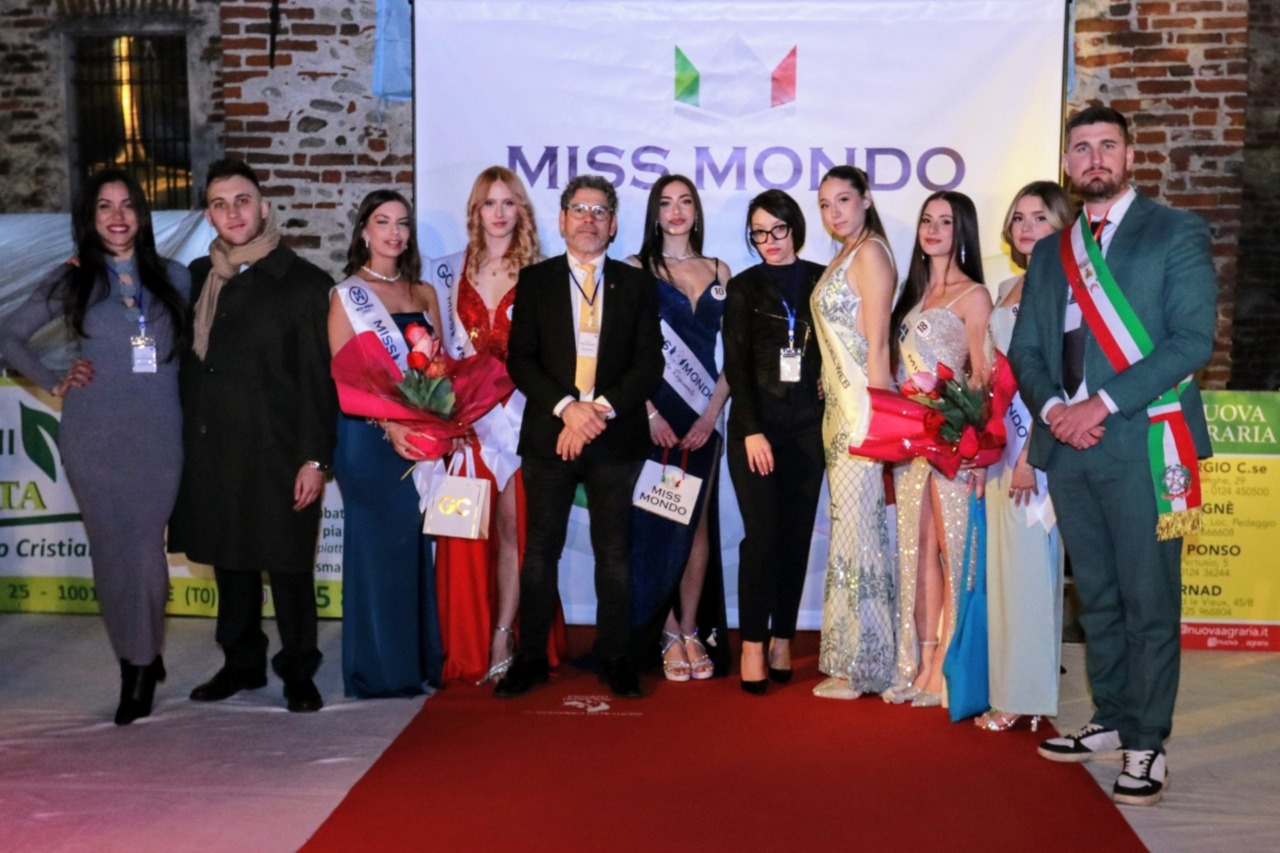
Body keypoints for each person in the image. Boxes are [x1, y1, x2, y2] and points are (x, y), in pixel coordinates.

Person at [1009, 106, 1216, 805]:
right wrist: (1054, 413)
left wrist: (1098, 405)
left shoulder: (1175, 231)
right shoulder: (1050, 253)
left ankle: (1148, 740)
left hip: (1142, 442)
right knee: (1095, 596)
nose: (1094, 158)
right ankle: (1114, 715)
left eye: (1107, 146)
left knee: (1147, 597)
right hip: (1070, 446)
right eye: (1081, 148)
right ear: (1067, 163)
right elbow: (1027, 350)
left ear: (1129, 156)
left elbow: (1191, 340)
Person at [0, 169, 189, 725]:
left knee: (145, 549)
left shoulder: (177, 277)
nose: (117, 216)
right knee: (110, 553)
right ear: (90, 217)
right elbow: (8, 334)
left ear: (142, 215)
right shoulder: (73, 278)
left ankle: (142, 660)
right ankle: (135, 657)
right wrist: (53, 377)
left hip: (159, 433)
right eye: (105, 206)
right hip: (93, 434)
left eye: (127, 205)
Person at [169, 158, 337, 713]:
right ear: (209, 216)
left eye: (242, 201)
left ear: (264, 207)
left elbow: (318, 382)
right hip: (214, 449)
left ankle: (299, 670)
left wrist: (314, 459)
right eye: (219, 204)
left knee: (289, 568)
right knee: (231, 562)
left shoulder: (305, 283)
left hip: (279, 453)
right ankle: (241, 664)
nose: (233, 213)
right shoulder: (198, 277)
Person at [494, 175, 663, 699]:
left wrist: (596, 413)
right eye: (580, 210)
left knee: (614, 553)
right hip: (550, 435)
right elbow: (521, 359)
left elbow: (648, 364)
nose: (589, 219)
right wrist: (569, 411)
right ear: (563, 220)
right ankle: (529, 660)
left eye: (599, 211)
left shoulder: (636, 285)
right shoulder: (536, 280)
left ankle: (616, 659)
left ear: (613, 225)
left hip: (615, 437)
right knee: (540, 551)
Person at [435, 166, 569, 685]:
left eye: (508, 202)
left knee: (516, 530)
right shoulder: (452, 271)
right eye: (489, 203)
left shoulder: (542, 271)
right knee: (469, 533)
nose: (498, 213)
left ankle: (504, 633)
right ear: (476, 210)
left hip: (522, 419)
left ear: (522, 210)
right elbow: (442, 352)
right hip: (470, 421)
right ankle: (466, 639)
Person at [328, 190, 445, 698]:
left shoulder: (424, 292)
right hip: (369, 439)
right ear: (364, 232)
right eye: (383, 222)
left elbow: (440, 366)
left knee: (414, 547)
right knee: (378, 551)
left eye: (402, 223)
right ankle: (379, 670)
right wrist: (392, 426)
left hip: (417, 437)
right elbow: (345, 377)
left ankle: (417, 662)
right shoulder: (346, 295)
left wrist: (440, 421)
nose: (394, 232)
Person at [884, 191, 992, 708]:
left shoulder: (974, 296)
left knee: (954, 550)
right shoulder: (911, 294)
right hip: (909, 442)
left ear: (962, 229)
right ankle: (920, 661)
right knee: (916, 549)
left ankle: (950, 666)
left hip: (952, 441)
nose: (932, 229)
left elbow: (983, 376)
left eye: (945, 222)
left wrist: (975, 442)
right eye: (927, 220)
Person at [626, 175, 733, 681]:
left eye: (685, 201)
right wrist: (648, 413)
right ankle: (665, 630)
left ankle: (690, 628)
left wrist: (712, 414)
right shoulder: (635, 268)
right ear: (654, 212)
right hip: (656, 418)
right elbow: (623, 350)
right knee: (655, 523)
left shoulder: (719, 270)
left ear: (696, 211)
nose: (676, 211)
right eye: (666, 203)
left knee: (696, 526)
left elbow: (735, 351)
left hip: (703, 416)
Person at [976, 181, 1072, 732]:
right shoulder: (1009, 286)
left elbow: (1056, 380)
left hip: (1035, 454)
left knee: (1031, 574)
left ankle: (1026, 696)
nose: (1027, 227)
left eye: (1040, 217)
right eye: (1019, 218)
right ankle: (1010, 685)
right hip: (1002, 450)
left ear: (1062, 225)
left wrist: (1031, 456)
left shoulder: (1066, 290)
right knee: (1007, 576)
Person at [722, 190, 826, 695]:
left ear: (795, 228)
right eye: (759, 233)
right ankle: (752, 644)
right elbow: (736, 366)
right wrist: (751, 429)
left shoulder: (823, 279)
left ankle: (783, 637)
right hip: (756, 431)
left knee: (796, 537)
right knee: (761, 538)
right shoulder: (743, 287)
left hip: (809, 428)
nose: (770, 241)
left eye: (778, 230)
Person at [809, 166, 897, 700]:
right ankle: (856, 657)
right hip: (838, 413)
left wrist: (880, 418)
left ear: (865, 198)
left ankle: (865, 664)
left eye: (843, 200)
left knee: (860, 533)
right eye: (825, 204)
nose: (834, 212)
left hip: (862, 412)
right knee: (852, 530)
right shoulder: (846, 253)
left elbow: (878, 343)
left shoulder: (870, 254)